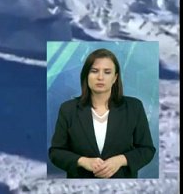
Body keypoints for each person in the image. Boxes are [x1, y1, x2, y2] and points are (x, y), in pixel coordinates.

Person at [48, 48, 156, 179]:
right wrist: (83, 161)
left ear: (115, 77)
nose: (100, 77)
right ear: (86, 75)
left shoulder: (134, 107)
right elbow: (56, 152)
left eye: (107, 72)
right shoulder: (68, 109)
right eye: (94, 71)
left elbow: (147, 150)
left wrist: (120, 160)